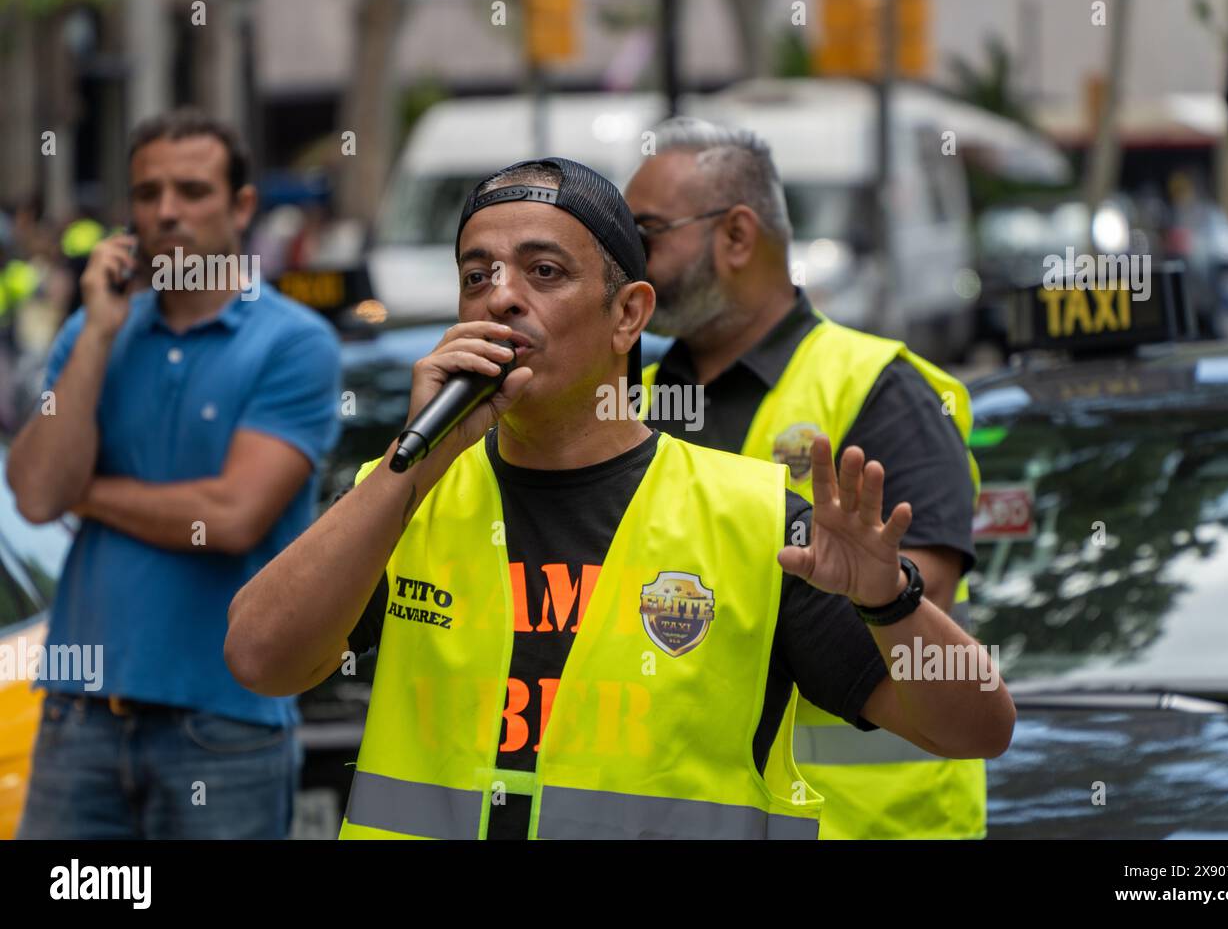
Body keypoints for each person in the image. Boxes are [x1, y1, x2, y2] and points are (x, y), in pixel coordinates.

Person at [225, 156, 1013, 840]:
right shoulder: (407, 493)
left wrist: (889, 600)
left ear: (629, 314)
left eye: (544, 272)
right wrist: (408, 467)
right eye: (477, 274)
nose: (501, 298)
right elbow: (259, 659)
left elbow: (977, 728)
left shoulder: (751, 516)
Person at [623, 118, 985, 840]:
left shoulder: (878, 386)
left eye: (648, 233)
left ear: (736, 235)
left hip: (870, 828)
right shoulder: (634, 403)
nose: (629, 260)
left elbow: (917, 606)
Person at [7, 108, 342, 839]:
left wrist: (88, 494)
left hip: (222, 726)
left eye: (192, 191)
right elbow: (35, 493)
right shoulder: (95, 329)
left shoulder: (295, 344)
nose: (167, 211)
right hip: (78, 714)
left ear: (242, 205)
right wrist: (96, 330)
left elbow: (229, 517)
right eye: (149, 192)